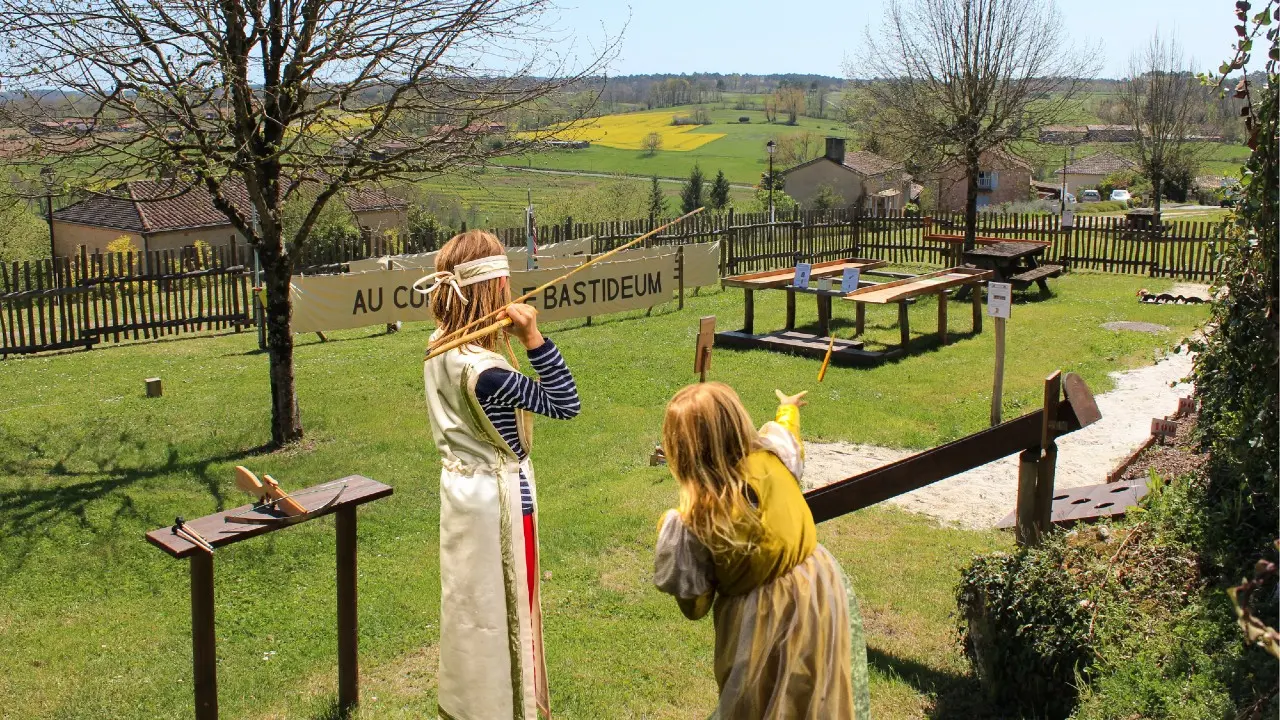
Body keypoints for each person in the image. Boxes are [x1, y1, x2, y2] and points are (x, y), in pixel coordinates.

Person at [420, 230, 580, 720]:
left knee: (470, 610)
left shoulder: (437, 346)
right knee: (509, 612)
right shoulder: (487, 371)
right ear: (493, 292)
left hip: (461, 494)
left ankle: (470, 706)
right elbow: (565, 403)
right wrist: (533, 338)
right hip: (501, 502)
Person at [653, 382, 871, 719]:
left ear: (681, 448)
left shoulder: (694, 519)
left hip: (757, 620)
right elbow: (787, 434)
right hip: (817, 588)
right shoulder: (774, 456)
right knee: (818, 681)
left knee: (758, 700)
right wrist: (789, 408)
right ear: (738, 421)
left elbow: (695, 603)